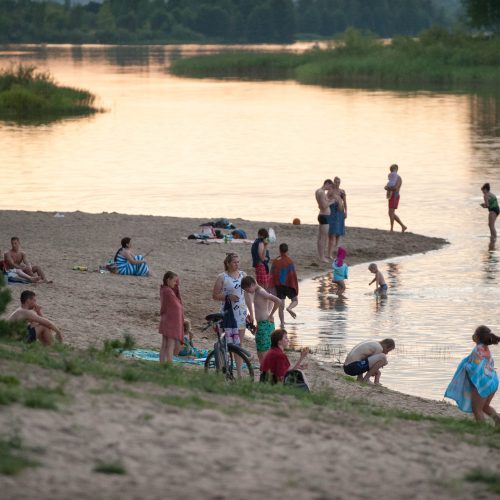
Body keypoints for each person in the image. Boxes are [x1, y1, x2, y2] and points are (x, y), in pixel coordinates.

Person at [445, 325, 500, 424]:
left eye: (474, 334)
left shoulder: (478, 349)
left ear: (477, 337)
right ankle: (498, 421)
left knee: (477, 409)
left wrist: (466, 366)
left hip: (483, 383)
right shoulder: (486, 349)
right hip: (493, 381)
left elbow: (476, 367)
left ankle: (481, 428)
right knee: (485, 406)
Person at [212, 253, 252, 374]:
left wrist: (251, 313)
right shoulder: (222, 277)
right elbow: (215, 295)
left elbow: (247, 295)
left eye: (238, 262)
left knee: (239, 344)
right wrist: (227, 297)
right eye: (234, 262)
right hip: (228, 313)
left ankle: (239, 373)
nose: (237, 264)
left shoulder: (243, 275)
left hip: (241, 313)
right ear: (228, 263)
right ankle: (226, 369)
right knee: (227, 343)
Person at [241, 276, 282, 365]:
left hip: (265, 324)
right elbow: (270, 302)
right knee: (263, 351)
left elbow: (278, 301)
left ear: (252, 284)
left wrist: (270, 315)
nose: (248, 292)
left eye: (248, 290)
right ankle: (266, 371)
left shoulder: (261, 291)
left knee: (262, 352)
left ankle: (265, 372)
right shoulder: (259, 291)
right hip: (263, 324)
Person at [269, 243, 299, 328]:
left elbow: (271, 273)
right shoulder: (289, 261)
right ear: (287, 250)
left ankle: (282, 323)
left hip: (279, 285)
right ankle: (289, 308)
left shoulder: (276, 261)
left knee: (281, 306)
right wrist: (294, 285)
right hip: (288, 284)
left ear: (279, 250)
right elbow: (292, 275)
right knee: (295, 300)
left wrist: (271, 286)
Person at [159, 271, 184, 363]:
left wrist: (176, 285)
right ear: (168, 280)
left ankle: (162, 363)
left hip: (165, 320)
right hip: (170, 322)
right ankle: (169, 364)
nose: (175, 284)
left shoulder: (164, 290)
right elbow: (177, 304)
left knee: (164, 344)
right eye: (174, 281)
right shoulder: (168, 291)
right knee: (170, 345)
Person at [327, 178, 346, 259]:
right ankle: (330, 252)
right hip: (332, 212)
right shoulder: (331, 191)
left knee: (339, 231)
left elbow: (345, 202)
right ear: (333, 182)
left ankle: (336, 247)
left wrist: (346, 211)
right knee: (332, 231)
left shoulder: (342, 191)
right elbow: (326, 200)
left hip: (340, 213)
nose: (337, 183)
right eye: (336, 182)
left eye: (339, 182)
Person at [315, 179, 334, 263]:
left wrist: (328, 201)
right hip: (324, 216)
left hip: (322, 215)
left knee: (321, 237)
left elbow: (321, 204)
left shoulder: (318, 191)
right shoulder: (321, 192)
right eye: (330, 186)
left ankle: (320, 256)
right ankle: (322, 257)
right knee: (323, 238)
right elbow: (323, 206)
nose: (329, 189)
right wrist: (331, 202)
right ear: (327, 183)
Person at [385, 164, 407, 233]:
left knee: (391, 213)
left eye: (393, 169)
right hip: (392, 196)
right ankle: (403, 226)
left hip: (395, 196)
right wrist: (386, 187)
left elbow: (395, 188)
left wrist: (388, 188)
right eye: (391, 169)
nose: (392, 171)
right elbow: (388, 186)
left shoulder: (398, 178)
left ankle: (392, 229)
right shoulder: (392, 178)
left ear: (396, 170)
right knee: (390, 213)